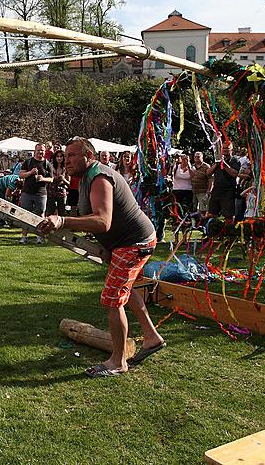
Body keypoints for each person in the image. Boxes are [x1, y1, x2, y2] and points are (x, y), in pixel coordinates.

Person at [38, 137, 165, 377]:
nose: (67, 161)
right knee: (124, 290)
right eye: (65, 156)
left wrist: (63, 221)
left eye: (73, 155)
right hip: (124, 244)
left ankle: (118, 361)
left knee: (112, 299)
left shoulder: (99, 177)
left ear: (89, 155)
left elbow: (102, 221)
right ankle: (151, 338)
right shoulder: (85, 178)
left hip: (133, 243)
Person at [18, 143, 53, 244]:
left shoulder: (47, 164)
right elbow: (20, 175)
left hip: (41, 193)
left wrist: (43, 178)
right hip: (27, 192)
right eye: (38, 150)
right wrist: (30, 173)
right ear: (35, 151)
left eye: (42, 150)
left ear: (44, 151)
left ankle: (39, 237)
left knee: (40, 214)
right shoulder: (28, 162)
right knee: (25, 214)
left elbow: (51, 179)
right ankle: (24, 237)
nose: (40, 152)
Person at [206, 141, 240, 221]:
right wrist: (217, 164)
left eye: (227, 148)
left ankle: (229, 230)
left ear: (231, 150)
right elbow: (208, 173)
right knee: (211, 213)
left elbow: (235, 174)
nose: (224, 150)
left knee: (228, 215)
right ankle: (212, 228)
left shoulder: (234, 160)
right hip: (216, 189)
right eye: (223, 148)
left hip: (228, 191)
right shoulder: (218, 160)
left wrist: (224, 165)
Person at [46, 149, 68, 217]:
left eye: (61, 156)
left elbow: (69, 183)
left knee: (62, 211)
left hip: (61, 192)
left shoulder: (66, 168)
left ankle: (61, 226)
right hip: (51, 191)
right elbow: (47, 178)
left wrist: (63, 179)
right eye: (57, 156)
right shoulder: (50, 166)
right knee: (50, 211)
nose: (59, 158)